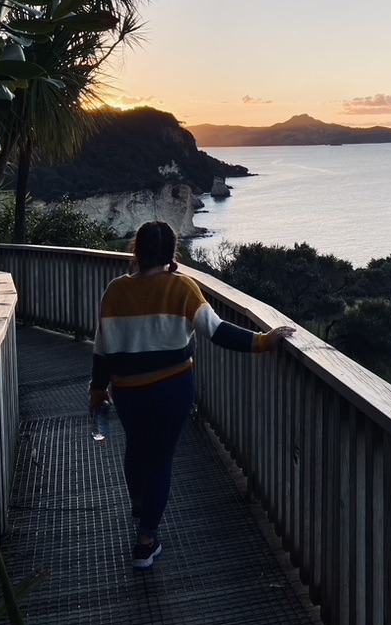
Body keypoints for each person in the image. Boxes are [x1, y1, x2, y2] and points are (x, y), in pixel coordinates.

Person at [89, 221, 295, 570]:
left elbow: (102, 347)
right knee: (161, 460)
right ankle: (145, 541)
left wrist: (97, 390)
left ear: (136, 251)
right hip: (172, 389)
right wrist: (263, 340)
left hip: (128, 393)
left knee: (137, 449)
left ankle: (141, 506)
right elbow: (216, 330)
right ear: (172, 253)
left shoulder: (115, 290)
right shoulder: (182, 287)